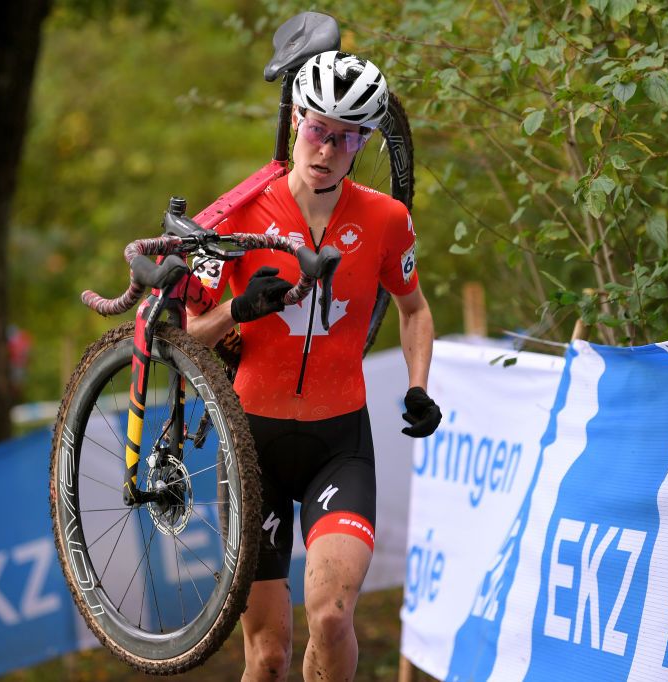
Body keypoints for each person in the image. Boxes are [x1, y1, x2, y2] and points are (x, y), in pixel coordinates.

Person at [187, 50, 442, 682]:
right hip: (252, 444)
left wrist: (418, 387)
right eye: (317, 129)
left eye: (346, 137)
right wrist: (238, 310)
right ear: (296, 118)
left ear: (363, 143)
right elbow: (188, 335)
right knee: (268, 657)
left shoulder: (386, 219)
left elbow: (413, 310)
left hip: (339, 442)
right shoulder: (237, 215)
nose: (326, 148)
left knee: (330, 618)